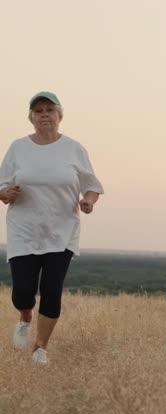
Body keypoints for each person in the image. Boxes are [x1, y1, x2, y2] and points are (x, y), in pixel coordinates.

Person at [0, 91, 104, 364]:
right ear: (31, 118)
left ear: (59, 116)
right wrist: (4, 193)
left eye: (49, 109)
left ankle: (40, 348)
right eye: (38, 111)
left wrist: (88, 202)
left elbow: (92, 186)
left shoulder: (74, 148)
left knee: (51, 289)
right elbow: (1, 185)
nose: (44, 114)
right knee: (23, 292)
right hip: (24, 230)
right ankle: (25, 316)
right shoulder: (18, 148)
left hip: (62, 232)